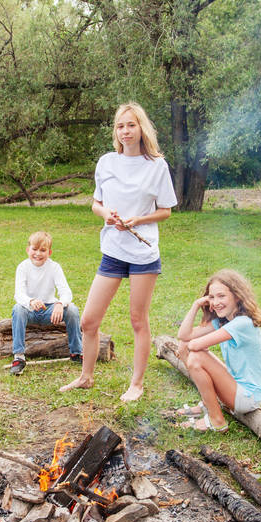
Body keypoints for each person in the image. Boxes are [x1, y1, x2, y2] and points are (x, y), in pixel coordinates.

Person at [60, 101, 177, 401]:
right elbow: (96, 203)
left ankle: (136, 384)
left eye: (131, 125)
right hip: (112, 250)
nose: (125, 131)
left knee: (138, 320)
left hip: (143, 255)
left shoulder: (157, 165)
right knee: (88, 320)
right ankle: (86, 377)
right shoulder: (106, 162)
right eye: (120, 126)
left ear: (142, 128)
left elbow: (165, 211)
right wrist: (106, 215)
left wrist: (140, 219)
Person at [176, 269, 261, 431]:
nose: (215, 302)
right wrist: (196, 305)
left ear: (237, 296)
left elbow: (194, 345)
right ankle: (208, 404)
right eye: (211, 297)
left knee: (196, 357)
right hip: (236, 386)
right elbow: (184, 336)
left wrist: (199, 347)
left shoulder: (242, 323)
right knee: (185, 347)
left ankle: (216, 419)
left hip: (248, 396)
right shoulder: (224, 321)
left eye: (221, 296)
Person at [9, 230, 82, 375]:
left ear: (49, 252)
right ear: (27, 250)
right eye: (34, 249)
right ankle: (19, 357)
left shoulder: (54, 267)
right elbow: (19, 293)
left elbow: (66, 291)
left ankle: (76, 352)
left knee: (72, 310)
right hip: (30, 310)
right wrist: (30, 301)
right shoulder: (23, 267)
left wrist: (60, 304)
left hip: (50, 310)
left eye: (43, 250)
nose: (38, 254)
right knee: (17, 309)